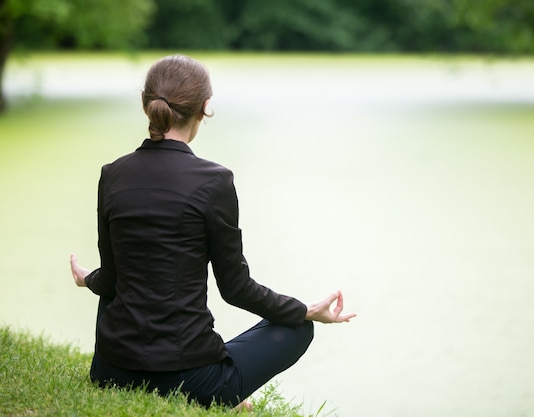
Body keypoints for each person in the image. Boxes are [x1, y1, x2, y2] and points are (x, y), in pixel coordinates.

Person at [69, 54, 355, 410]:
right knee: (297, 327)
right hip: (188, 378)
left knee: (128, 280)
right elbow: (235, 288)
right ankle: (223, 395)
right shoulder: (214, 181)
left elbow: (111, 280)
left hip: (111, 371)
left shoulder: (112, 174)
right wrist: (305, 310)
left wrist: (87, 279)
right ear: (205, 107)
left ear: (147, 105)